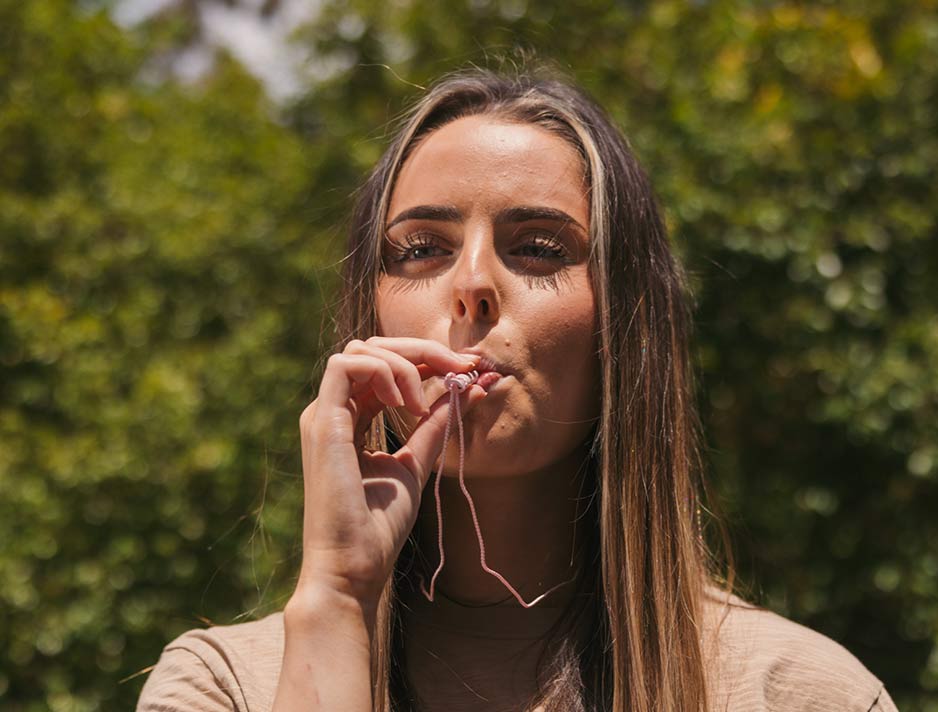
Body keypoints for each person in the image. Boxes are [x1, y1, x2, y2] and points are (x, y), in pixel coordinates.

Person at [137, 64, 897, 712]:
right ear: (366, 311)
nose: (471, 284)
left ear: (625, 327)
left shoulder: (795, 692)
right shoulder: (227, 686)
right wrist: (337, 603)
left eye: (537, 248)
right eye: (420, 249)